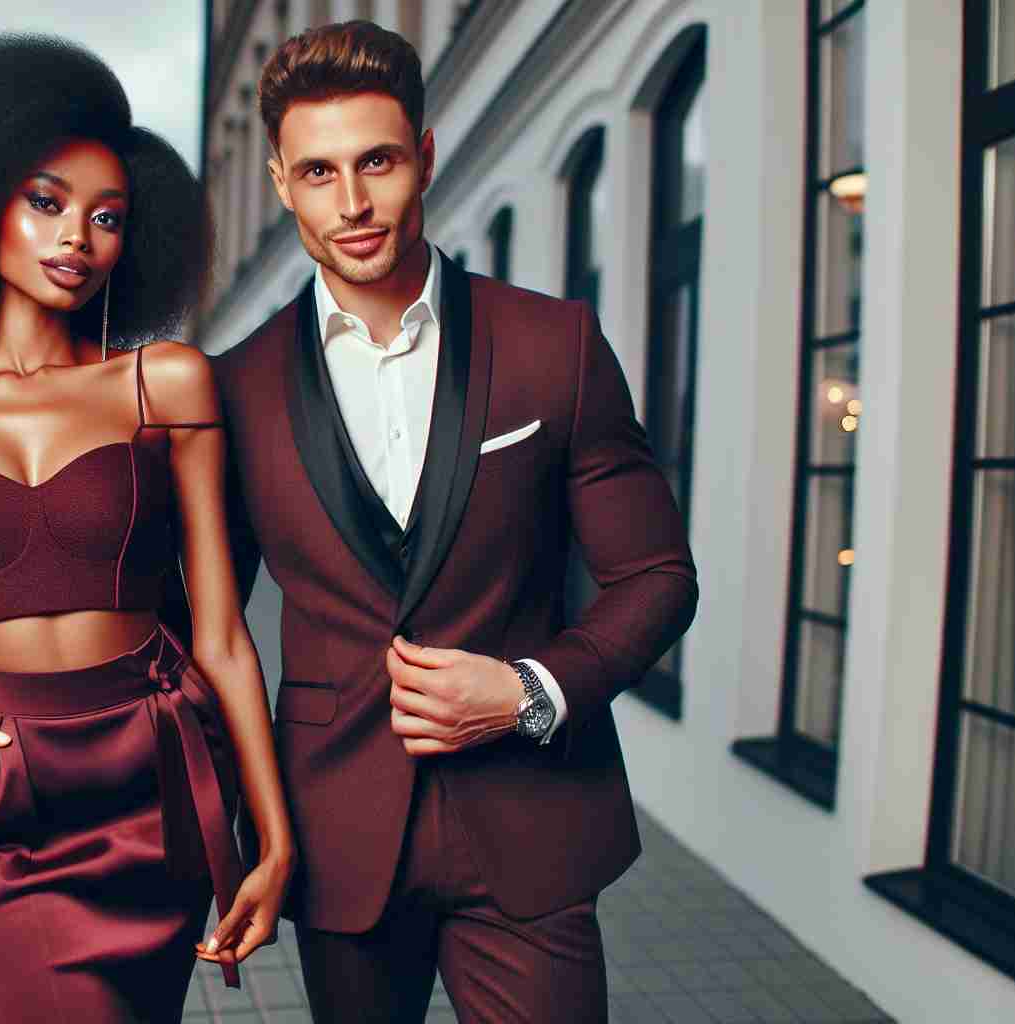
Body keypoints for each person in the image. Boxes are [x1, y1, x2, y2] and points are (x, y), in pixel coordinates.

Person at [210, 21, 701, 1023]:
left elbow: (656, 576)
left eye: (377, 162)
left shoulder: (549, 343)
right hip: (334, 829)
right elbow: (199, 630)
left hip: (533, 822)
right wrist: (242, 829)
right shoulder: (236, 388)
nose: (350, 204)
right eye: (317, 172)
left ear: (423, 157)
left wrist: (530, 688)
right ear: (279, 182)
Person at [0, 35, 292, 1023]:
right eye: (46, 203)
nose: (76, 239)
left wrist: (272, 831)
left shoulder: (163, 382)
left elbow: (221, 630)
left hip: (153, 781)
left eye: (107, 218)